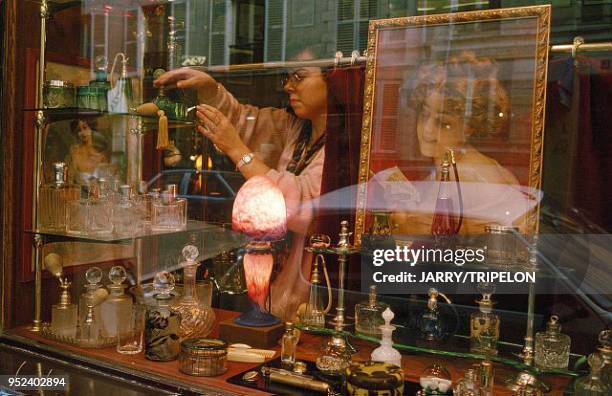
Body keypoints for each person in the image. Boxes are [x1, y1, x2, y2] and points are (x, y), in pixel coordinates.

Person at [154, 48, 328, 321]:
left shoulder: (345, 147)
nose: (288, 85)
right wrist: (210, 90)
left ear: (334, 81)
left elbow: (301, 208)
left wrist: (237, 150)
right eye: (287, 76)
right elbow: (248, 122)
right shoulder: (298, 128)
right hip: (278, 282)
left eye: (299, 76)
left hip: (310, 288)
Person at [391, 51, 528, 235]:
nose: (427, 130)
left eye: (443, 123)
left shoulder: (474, 176)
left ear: (469, 127)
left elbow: (490, 251)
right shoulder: (445, 167)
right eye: (424, 115)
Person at [64, 118, 114, 187]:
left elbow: (111, 182)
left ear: (91, 129)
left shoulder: (101, 154)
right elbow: (68, 183)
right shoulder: (74, 155)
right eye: (79, 130)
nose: (83, 133)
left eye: (85, 128)